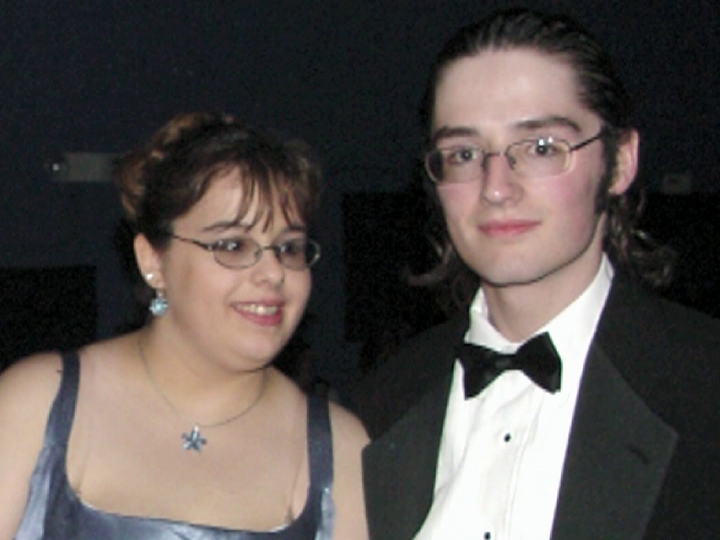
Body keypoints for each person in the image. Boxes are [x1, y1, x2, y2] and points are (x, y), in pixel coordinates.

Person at [352, 8, 720, 540]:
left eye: (542, 147)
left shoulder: (704, 387)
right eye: (463, 153)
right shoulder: (376, 409)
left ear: (619, 162)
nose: (496, 187)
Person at [0, 112, 369, 539]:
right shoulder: (36, 404)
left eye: (289, 248)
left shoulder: (340, 449)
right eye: (234, 245)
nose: (273, 273)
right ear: (153, 261)